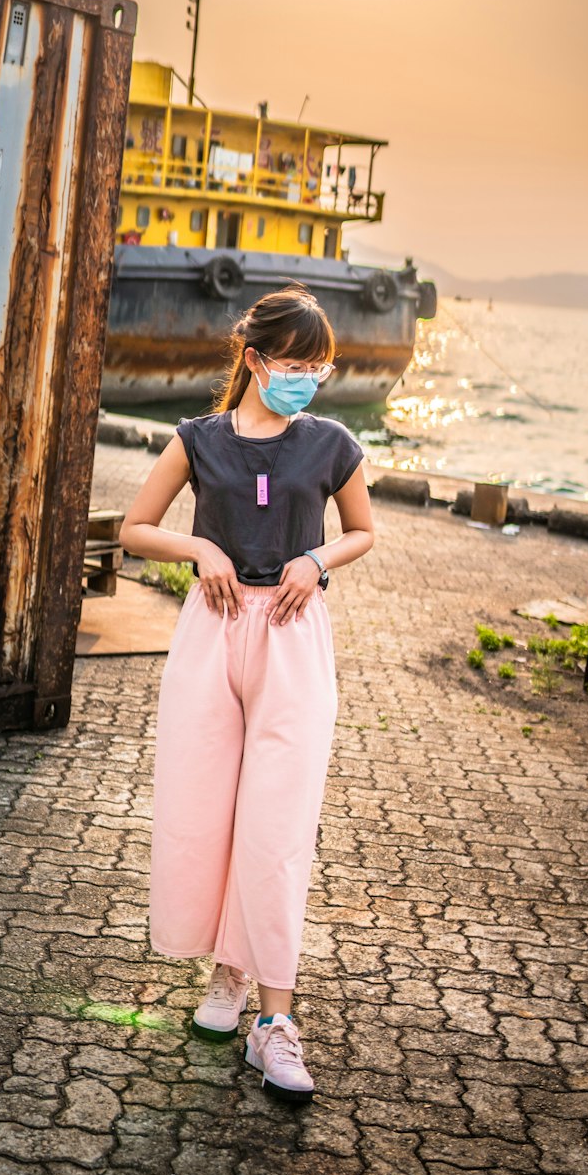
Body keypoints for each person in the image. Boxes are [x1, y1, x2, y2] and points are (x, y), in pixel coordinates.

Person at [119, 287, 374, 1106]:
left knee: (277, 823)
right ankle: (227, 973)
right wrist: (198, 545)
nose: (307, 379)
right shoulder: (198, 439)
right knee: (205, 813)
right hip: (212, 635)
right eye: (294, 364)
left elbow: (364, 530)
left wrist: (319, 561)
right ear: (255, 359)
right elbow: (135, 527)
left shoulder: (332, 442)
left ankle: (275, 1022)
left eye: (319, 367)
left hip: (294, 642)